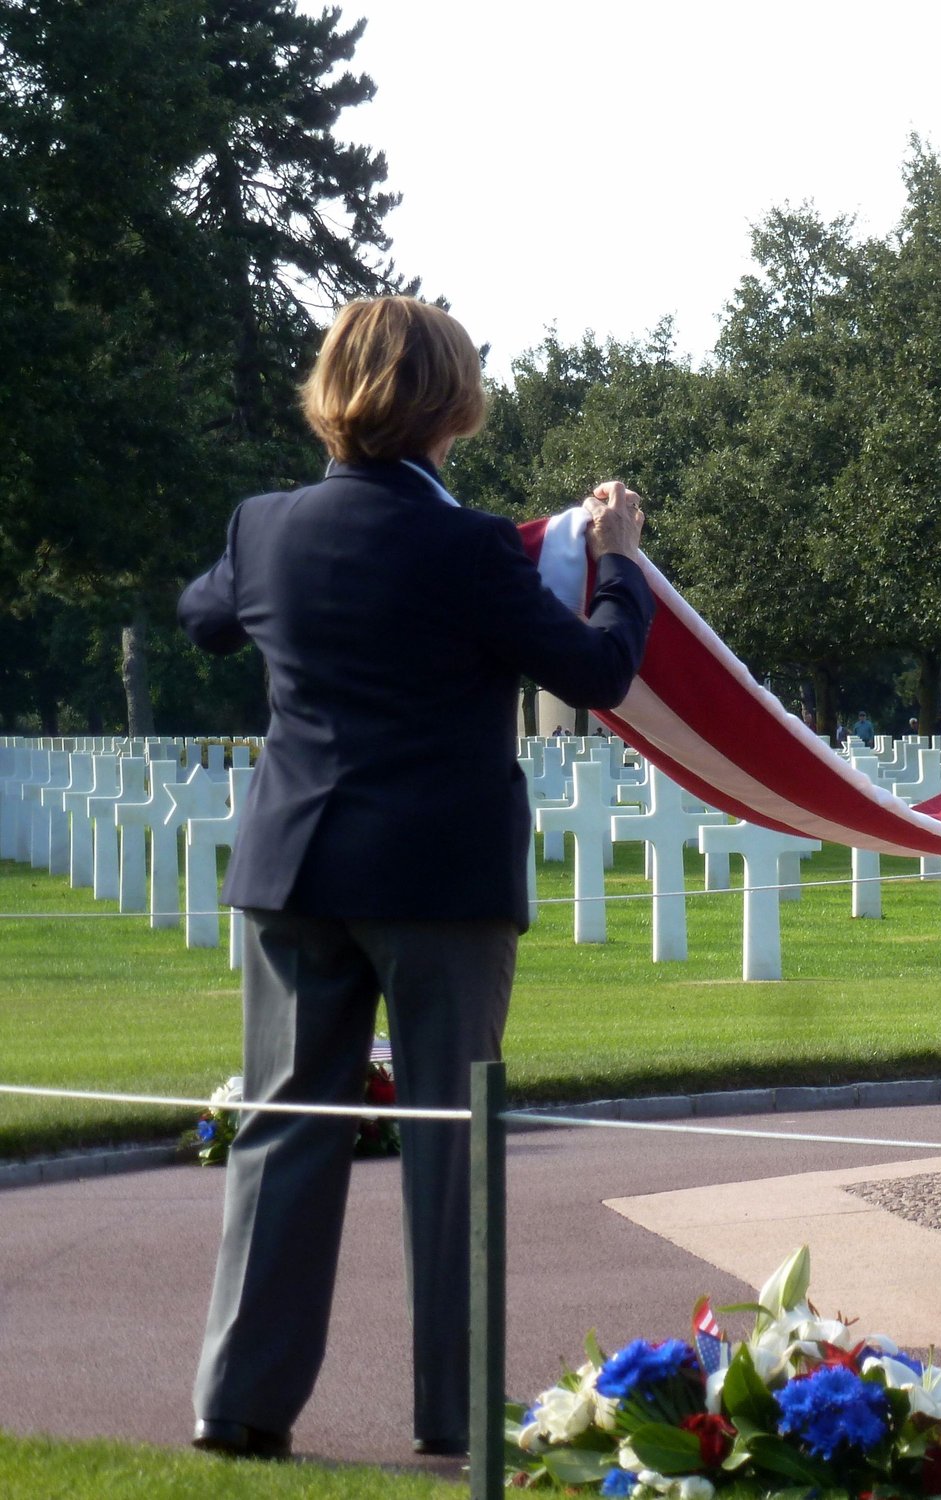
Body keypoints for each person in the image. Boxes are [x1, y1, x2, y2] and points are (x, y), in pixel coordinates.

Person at [177, 297, 656, 1460]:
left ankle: (239, 1405)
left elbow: (203, 621)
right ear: (452, 405)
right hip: (440, 877)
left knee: (285, 1132)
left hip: (297, 866)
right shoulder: (470, 545)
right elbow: (595, 671)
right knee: (449, 1145)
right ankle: (453, 1410)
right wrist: (619, 564)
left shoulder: (263, 526)